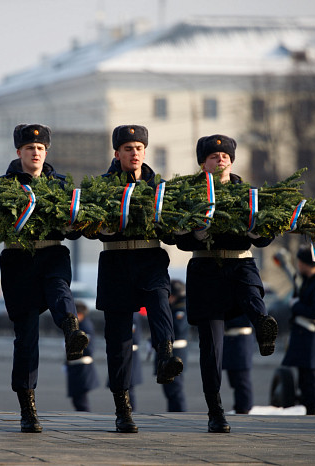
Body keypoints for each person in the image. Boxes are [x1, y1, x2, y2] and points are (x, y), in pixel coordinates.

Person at [175, 134, 278, 433]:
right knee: (211, 348)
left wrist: (258, 233)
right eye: (212, 156)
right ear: (202, 162)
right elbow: (177, 238)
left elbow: (268, 233)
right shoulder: (189, 195)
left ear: (232, 160)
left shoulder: (249, 193)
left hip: (239, 259)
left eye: (224, 155)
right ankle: (215, 410)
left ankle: (263, 327)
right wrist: (195, 234)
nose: (220, 159)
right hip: (206, 266)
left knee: (251, 292)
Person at [0, 123, 89, 433]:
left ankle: (71, 329)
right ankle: (28, 407)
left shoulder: (62, 187)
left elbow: (76, 230)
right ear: (18, 152)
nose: (35, 152)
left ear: (46, 152)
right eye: (29, 148)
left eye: (40, 148)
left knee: (59, 288)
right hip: (18, 260)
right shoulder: (1, 187)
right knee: (26, 338)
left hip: (52, 253)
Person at [95, 124, 183, 433]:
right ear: (117, 153)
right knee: (118, 341)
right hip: (116, 262)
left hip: (149, 259)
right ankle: (123, 407)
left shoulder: (159, 187)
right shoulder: (102, 186)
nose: (135, 153)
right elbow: (86, 226)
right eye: (129, 148)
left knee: (160, 301)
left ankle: (166, 355)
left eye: (139, 148)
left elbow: (173, 230)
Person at [281, 246, 315, 415]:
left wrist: (297, 305)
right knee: (304, 376)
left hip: (313, 335)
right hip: (304, 334)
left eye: (300, 262)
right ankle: (309, 407)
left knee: (312, 376)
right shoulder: (309, 280)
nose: (298, 266)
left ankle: (314, 409)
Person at [155, 280, 189, 412]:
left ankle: (179, 412)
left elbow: (178, 328)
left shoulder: (180, 309)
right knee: (169, 389)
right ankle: (173, 411)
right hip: (171, 350)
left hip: (177, 351)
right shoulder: (174, 308)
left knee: (175, 388)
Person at [66, 303, 99, 412]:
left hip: (82, 367)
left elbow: (89, 349)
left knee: (81, 401)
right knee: (77, 399)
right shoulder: (81, 325)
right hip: (76, 366)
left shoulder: (85, 327)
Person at [222, 315, 255, 414]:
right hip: (230, 339)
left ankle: (244, 407)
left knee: (242, 378)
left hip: (241, 340)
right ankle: (239, 406)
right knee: (234, 379)